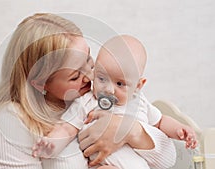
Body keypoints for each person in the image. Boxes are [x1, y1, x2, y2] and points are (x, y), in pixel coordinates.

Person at [0, 13, 176, 169]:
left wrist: (131, 131)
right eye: (75, 76)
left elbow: (169, 160)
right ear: (40, 83)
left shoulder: (100, 95)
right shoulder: (11, 122)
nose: (91, 77)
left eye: (89, 60)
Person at [32, 35, 197, 169]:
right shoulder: (86, 101)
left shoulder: (138, 102)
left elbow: (160, 121)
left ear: (138, 85)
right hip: (103, 164)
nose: (109, 90)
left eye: (120, 84)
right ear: (95, 71)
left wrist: (179, 130)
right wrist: (52, 143)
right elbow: (67, 128)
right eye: (102, 78)